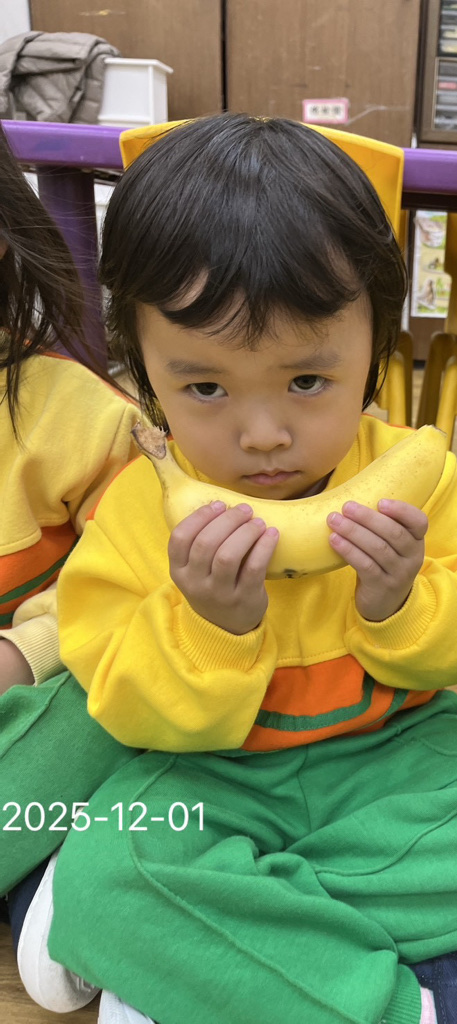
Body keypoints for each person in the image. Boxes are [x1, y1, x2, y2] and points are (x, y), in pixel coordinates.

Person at [13, 113, 457, 1024]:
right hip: (215, 779)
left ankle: (213, 952)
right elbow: (122, 708)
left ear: (376, 349)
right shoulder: (141, 509)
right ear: (144, 372)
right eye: (205, 387)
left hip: (393, 759)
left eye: (306, 382)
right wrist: (209, 629)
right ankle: (422, 1001)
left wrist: (400, 601)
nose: (263, 433)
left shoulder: (412, 480)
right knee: (124, 868)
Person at [0, 120, 140, 986]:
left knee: (107, 707)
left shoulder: (77, 414)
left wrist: (28, 649)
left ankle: (68, 866)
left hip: (52, 681)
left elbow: (129, 568)